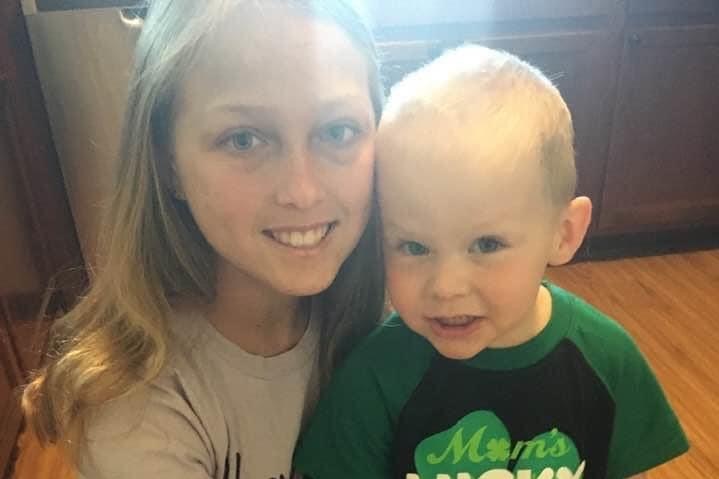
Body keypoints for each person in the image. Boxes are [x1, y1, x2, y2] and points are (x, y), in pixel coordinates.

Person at [21, 1, 385, 478]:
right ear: (168, 160)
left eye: (338, 130)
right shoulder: (139, 416)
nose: (303, 190)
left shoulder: (399, 315)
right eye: (244, 139)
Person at [293, 45, 689, 479]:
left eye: (486, 245)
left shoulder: (607, 359)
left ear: (564, 234)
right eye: (414, 247)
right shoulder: (375, 379)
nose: (446, 287)